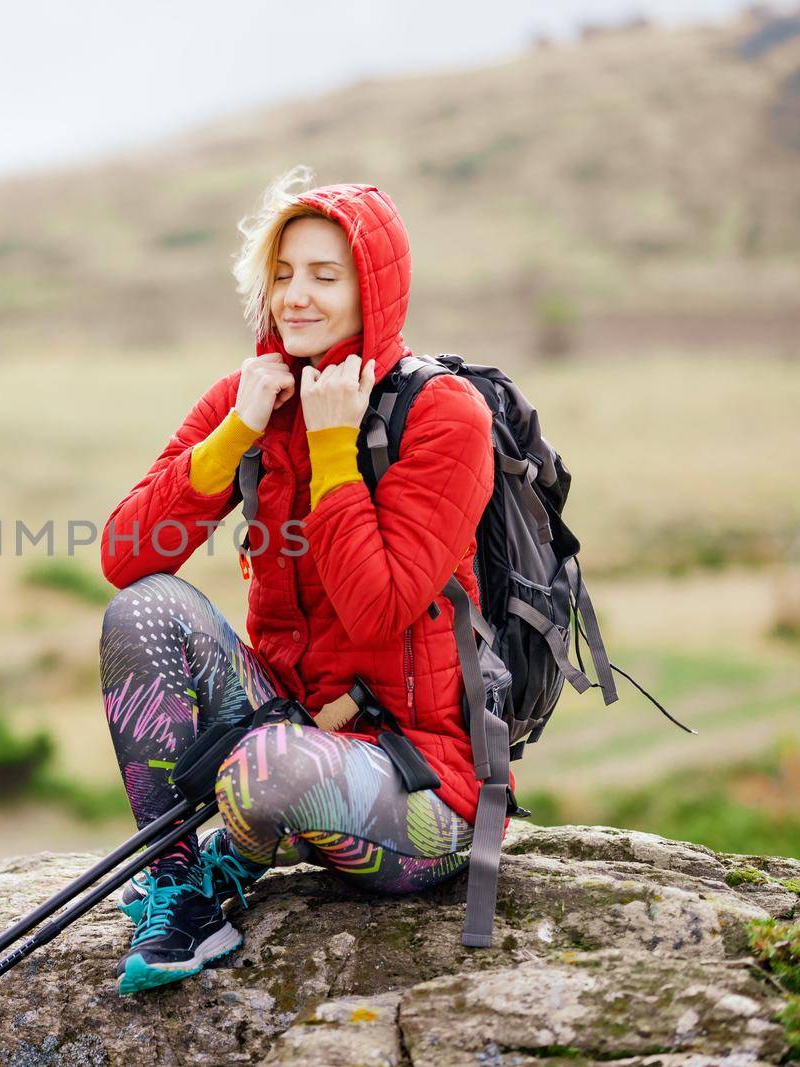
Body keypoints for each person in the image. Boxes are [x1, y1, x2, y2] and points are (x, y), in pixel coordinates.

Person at [97, 166, 514, 996]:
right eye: (283, 274)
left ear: (375, 288)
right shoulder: (250, 393)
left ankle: (232, 861)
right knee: (143, 608)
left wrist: (333, 447)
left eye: (326, 275)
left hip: (418, 783)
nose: (296, 296)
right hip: (281, 722)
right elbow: (125, 554)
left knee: (267, 770)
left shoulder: (445, 415)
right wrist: (237, 431)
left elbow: (377, 608)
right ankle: (184, 887)